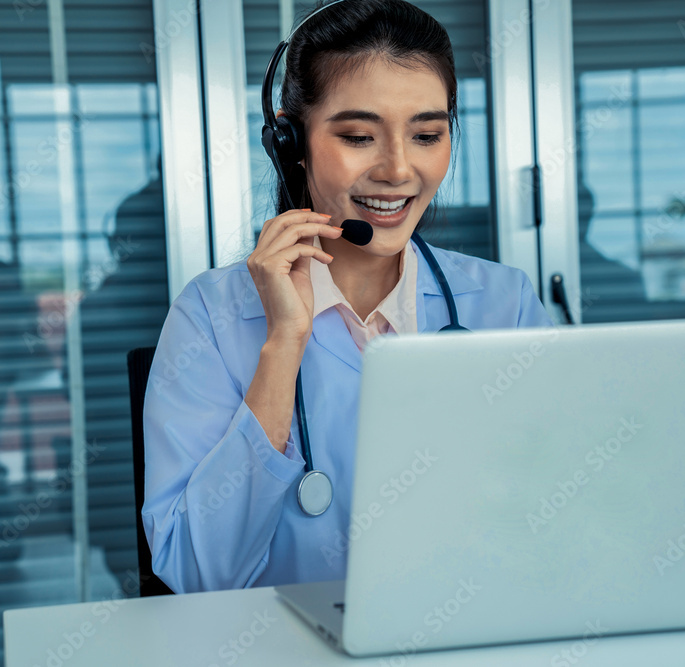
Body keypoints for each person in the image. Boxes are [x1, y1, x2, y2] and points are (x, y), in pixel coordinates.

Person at [142, 0, 554, 594]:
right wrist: (284, 344)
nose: (397, 169)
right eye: (359, 136)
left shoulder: (503, 304)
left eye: (427, 135)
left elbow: (555, 521)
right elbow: (198, 573)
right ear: (291, 142)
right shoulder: (211, 315)